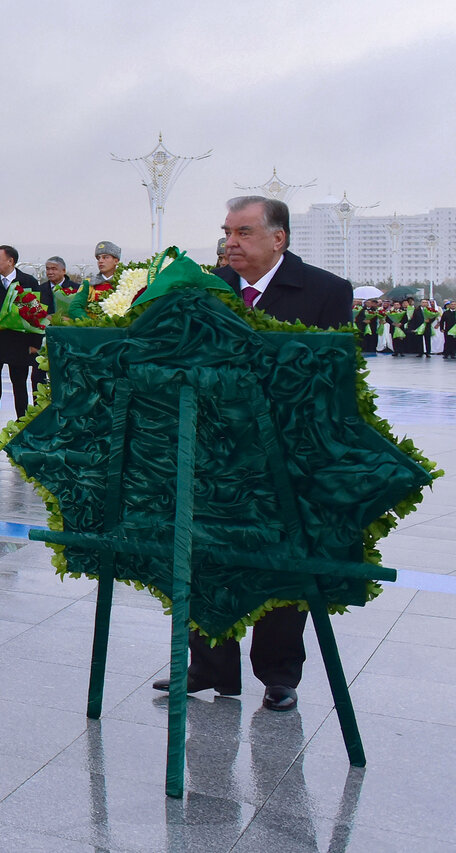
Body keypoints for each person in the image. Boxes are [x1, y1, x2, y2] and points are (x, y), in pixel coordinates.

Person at [153, 195, 353, 713]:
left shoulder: (325, 292)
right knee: (204, 557)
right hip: (213, 453)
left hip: (286, 456)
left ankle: (279, 674)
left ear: (278, 238)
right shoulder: (207, 289)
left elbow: (334, 380)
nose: (231, 242)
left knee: (281, 564)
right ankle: (208, 665)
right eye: (227, 232)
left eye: (243, 232)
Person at [0, 245, 53, 441]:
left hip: (19, 343)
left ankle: (22, 424)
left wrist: (34, 343)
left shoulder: (28, 282)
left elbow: (37, 315)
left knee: (19, 385)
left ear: (10, 261)